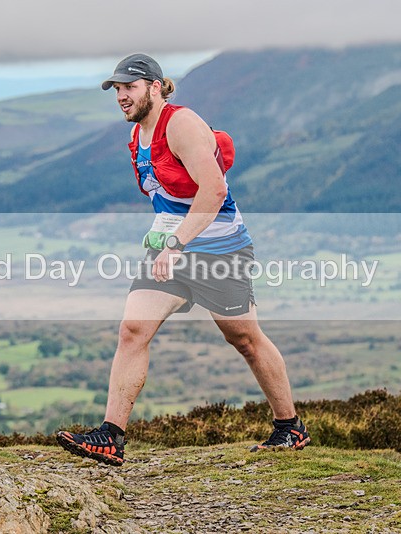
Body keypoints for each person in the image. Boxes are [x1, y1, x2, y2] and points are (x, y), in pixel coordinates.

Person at [57, 53, 309, 466]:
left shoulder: (183, 124)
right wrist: (165, 241)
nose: (121, 96)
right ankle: (111, 436)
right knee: (133, 329)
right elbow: (170, 198)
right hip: (171, 250)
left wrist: (176, 243)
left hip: (220, 249)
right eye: (117, 90)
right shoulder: (138, 135)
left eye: (130, 87)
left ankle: (290, 428)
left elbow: (213, 192)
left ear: (155, 87)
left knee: (244, 339)